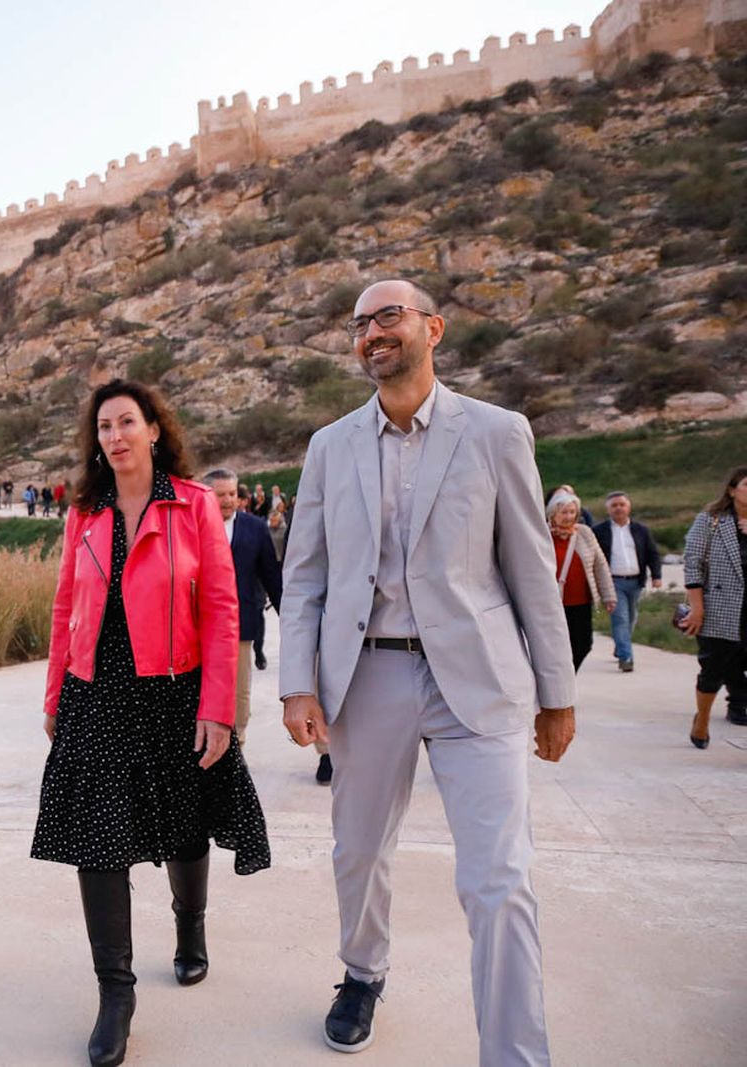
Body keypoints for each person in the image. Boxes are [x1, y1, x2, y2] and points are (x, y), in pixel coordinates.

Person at [280, 280, 576, 1064]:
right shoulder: (330, 446)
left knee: (500, 876)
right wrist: (297, 684)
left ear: (432, 329)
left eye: (389, 316)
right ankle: (362, 971)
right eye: (359, 324)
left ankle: (515, 1053)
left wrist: (558, 693)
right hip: (367, 675)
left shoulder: (496, 432)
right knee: (359, 848)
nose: (372, 332)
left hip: (476, 678)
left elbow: (530, 569)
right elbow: (304, 576)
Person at [33, 380, 269, 1067]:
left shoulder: (192, 504)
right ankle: (116, 991)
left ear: (154, 430)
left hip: (174, 690)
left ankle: (189, 922)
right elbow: (62, 606)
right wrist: (55, 694)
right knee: (97, 840)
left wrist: (218, 705)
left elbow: (224, 608)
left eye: (127, 422)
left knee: (182, 823)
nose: (115, 436)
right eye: (103, 426)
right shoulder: (84, 512)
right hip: (95, 694)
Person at [207, 468, 283, 749]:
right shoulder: (193, 526)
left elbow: (271, 576)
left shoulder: (254, 527)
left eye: (232, 494)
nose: (228, 500)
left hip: (241, 622)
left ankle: (237, 743)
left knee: (239, 689)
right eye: (220, 495)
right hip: (200, 626)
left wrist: (291, 616)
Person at [679, 465, 747, 749]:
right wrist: (697, 608)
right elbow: (692, 563)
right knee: (713, 669)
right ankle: (703, 718)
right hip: (720, 606)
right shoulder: (710, 521)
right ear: (732, 490)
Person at [592, 492, 664, 672]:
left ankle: (620, 645)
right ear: (608, 509)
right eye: (614, 505)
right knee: (621, 618)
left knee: (631, 618)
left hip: (636, 581)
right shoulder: (599, 531)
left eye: (621, 504)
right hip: (613, 582)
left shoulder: (641, 530)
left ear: (628, 507)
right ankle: (626, 657)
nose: (618, 508)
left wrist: (656, 575)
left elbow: (652, 553)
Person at [547, 490, 615, 673]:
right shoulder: (543, 535)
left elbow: (600, 565)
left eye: (572, 512)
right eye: (564, 512)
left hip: (580, 601)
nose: (569, 517)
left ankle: (566, 679)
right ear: (553, 513)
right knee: (556, 647)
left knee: (583, 644)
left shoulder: (584, 533)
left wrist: (609, 596)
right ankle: (558, 689)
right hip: (552, 603)